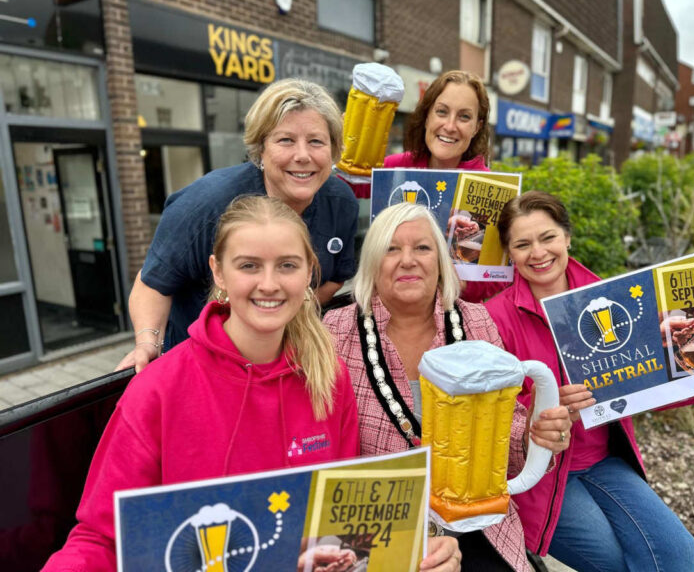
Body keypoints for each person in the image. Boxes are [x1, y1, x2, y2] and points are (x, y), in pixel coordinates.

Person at [43, 196, 360, 571]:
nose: (269, 284)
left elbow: (340, 520)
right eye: (249, 265)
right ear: (219, 272)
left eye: (287, 265)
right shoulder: (157, 390)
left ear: (309, 272)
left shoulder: (329, 378)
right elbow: (103, 538)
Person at [485, 190, 694, 572]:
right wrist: (544, 402)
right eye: (522, 244)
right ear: (509, 253)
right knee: (615, 564)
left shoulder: (610, 297)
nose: (538, 252)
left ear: (567, 237)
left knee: (678, 552)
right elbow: (488, 416)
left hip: (603, 461)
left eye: (548, 237)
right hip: (544, 474)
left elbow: (659, 385)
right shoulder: (492, 318)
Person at [323, 202, 572, 572]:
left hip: (474, 518)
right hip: (375, 520)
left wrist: (537, 435)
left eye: (422, 248)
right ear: (373, 262)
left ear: (441, 260)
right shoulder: (335, 331)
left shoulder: (477, 323)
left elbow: (508, 439)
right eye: (392, 248)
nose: (408, 260)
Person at [119, 78, 359, 373]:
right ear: (261, 149)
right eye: (285, 140)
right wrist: (147, 344)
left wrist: (288, 315)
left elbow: (334, 277)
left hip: (281, 362)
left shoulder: (341, 202)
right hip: (200, 366)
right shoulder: (206, 205)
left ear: (334, 150)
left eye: (316, 141)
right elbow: (152, 284)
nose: (302, 155)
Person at [382, 70, 505, 303]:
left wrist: (464, 285)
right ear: (427, 115)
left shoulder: (487, 186)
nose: (450, 126)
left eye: (464, 117)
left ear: (476, 127)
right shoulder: (395, 168)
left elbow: (496, 275)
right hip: (391, 306)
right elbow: (344, 188)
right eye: (441, 112)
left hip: (452, 315)